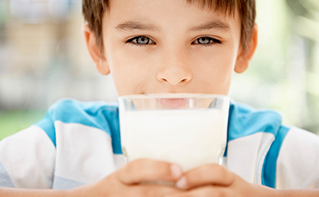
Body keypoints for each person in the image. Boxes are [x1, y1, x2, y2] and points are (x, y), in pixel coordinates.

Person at [1, 0, 319, 196]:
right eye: (141, 39)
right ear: (97, 48)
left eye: (205, 39)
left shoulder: (270, 149)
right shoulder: (64, 140)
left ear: (245, 47)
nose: (174, 72)